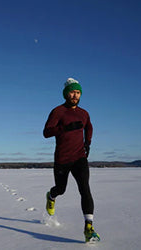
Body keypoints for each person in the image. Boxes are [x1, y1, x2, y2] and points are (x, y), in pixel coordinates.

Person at [43, 77, 100, 242]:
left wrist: (87, 143)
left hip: (79, 157)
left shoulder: (84, 113)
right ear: (66, 93)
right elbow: (46, 132)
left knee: (85, 189)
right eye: (72, 92)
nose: (75, 95)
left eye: (78, 92)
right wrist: (64, 128)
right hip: (62, 158)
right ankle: (51, 196)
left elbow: (88, 126)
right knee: (61, 189)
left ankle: (89, 227)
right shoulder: (58, 112)